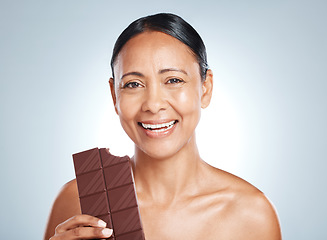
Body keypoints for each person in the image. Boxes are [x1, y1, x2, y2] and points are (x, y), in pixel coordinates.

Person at [44, 13, 282, 240]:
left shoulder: (251, 214)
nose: (154, 104)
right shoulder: (77, 201)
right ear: (114, 95)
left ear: (205, 88)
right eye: (133, 84)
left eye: (174, 80)